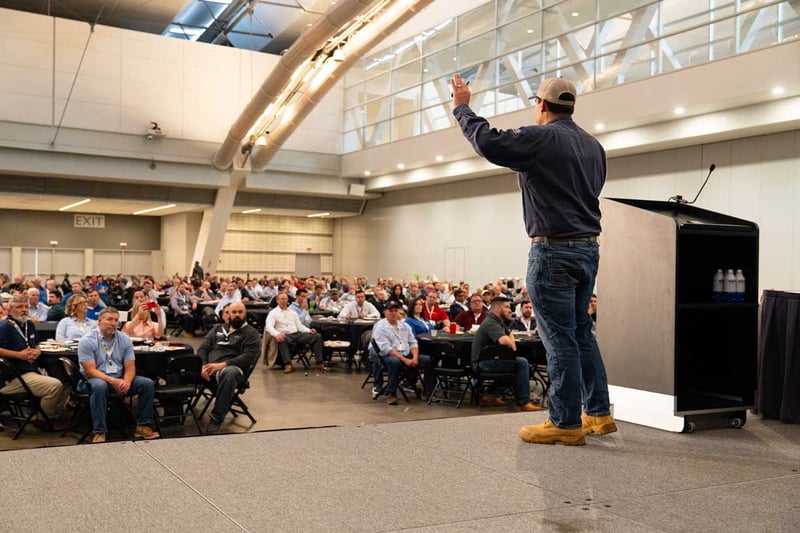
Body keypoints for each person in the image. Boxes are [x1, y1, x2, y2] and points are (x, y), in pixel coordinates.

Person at [452, 74, 615, 445]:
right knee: (580, 332)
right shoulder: (594, 146)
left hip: (553, 249)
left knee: (558, 338)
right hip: (588, 249)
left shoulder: (542, 138)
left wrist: (462, 107)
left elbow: (488, 141)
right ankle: (598, 412)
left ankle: (564, 422)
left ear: (541, 104)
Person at [77, 307, 160, 443]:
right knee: (100, 386)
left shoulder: (124, 339)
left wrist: (126, 382)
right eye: (109, 319)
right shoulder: (87, 340)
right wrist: (113, 381)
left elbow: (130, 367)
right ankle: (99, 431)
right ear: (99, 321)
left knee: (146, 383)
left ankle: (143, 425)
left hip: (119, 378)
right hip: (93, 379)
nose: (113, 323)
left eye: (116, 320)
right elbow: (90, 370)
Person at [0, 295, 68, 431]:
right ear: (10, 310)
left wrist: (37, 351)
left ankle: (51, 414)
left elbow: (36, 344)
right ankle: (42, 419)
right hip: (15, 375)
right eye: (19, 307)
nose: (24, 310)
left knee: (67, 381)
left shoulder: (29, 324)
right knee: (54, 385)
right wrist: (19, 355)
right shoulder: (5, 326)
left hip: (32, 369)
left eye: (26, 307)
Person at [196, 301, 260, 434]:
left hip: (234, 369)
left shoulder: (251, 333)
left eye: (240, 312)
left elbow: (248, 357)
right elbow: (203, 348)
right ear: (228, 314)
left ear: (245, 313)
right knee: (179, 369)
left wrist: (223, 365)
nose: (237, 315)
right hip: (208, 369)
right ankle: (174, 411)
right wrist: (203, 366)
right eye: (234, 312)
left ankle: (216, 419)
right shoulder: (217, 329)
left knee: (229, 373)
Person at [470, 297, 541, 413]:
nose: (510, 310)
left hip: (490, 360)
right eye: (507, 307)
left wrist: (511, 341)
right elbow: (504, 341)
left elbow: (510, 334)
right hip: (482, 364)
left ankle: (492, 394)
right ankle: (523, 402)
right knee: (521, 363)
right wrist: (511, 342)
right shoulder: (491, 323)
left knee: (514, 362)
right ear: (498, 309)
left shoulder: (498, 321)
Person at [371, 301, 434, 405]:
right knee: (395, 362)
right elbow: (386, 348)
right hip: (388, 355)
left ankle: (427, 390)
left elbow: (413, 342)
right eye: (390, 311)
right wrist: (405, 360)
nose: (393, 313)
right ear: (385, 312)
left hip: (406, 352)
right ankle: (391, 392)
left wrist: (415, 357)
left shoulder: (405, 326)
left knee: (427, 360)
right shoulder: (380, 327)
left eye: (395, 311)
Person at [265, 292, 324, 374]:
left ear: (287, 300)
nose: (284, 301)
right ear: (277, 301)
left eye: (285, 299)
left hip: (297, 335)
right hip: (285, 336)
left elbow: (299, 326)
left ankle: (319, 363)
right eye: (282, 299)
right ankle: (288, 364)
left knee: (317, 336)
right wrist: (276, 334)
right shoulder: (273, 313)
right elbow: (268, 326)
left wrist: (309, 330)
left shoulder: (293, 312)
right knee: (282, 338)